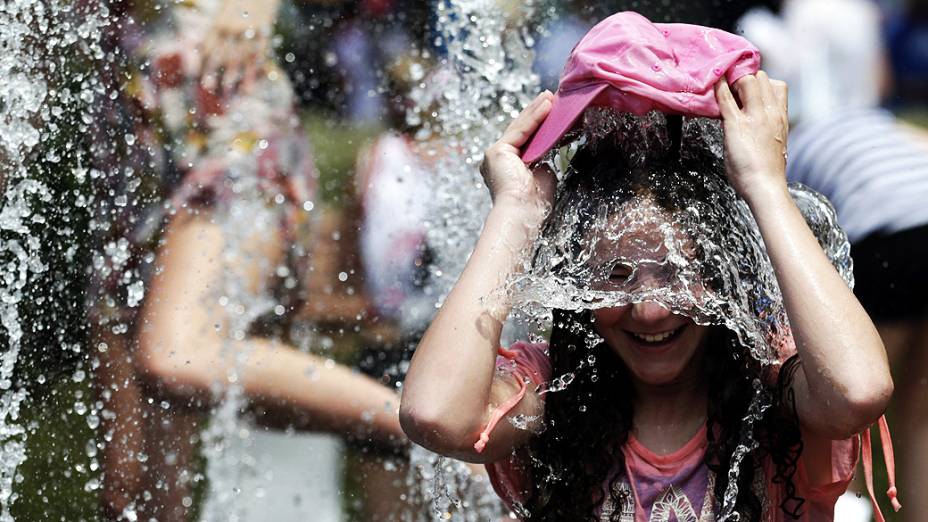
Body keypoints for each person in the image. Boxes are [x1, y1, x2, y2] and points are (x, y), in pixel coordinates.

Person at [400, 12, 898, 521]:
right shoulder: (552, 392)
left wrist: (765, 186)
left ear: (726, 270)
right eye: (614, 277)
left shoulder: (769, 381)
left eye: (679, 270)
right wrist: (516, 211)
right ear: (575, 282)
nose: (650, 308)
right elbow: (437, 415)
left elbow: (857, 392)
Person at [88, 1, 405, 520]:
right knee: (130, 494)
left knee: (176, 354)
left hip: (229, 137)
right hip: (130, 172)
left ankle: (433, 430)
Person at [740, 2, 928, 519]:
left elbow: (793, 251)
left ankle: (844, 508)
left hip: (889, 236)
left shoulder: (791, 151)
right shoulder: (874, 120)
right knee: (919, 413)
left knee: (850, 408)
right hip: (920, 209)